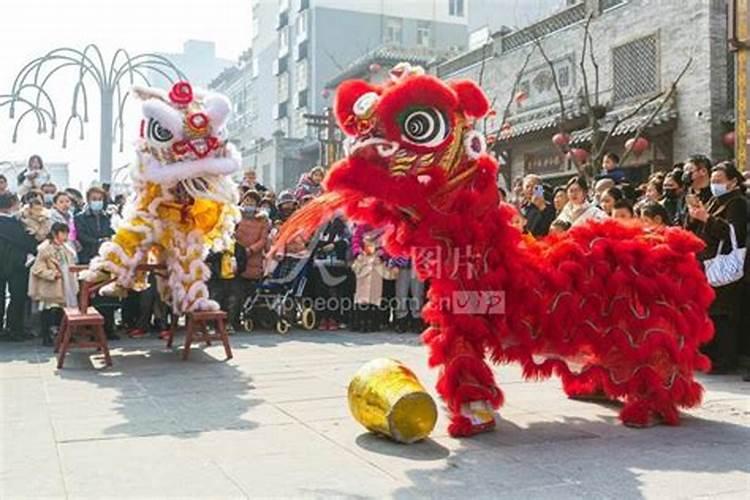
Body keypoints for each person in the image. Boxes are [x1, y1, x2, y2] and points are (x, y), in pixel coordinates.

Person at [686, 161, 747, 374]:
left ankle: (725, 359)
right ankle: (709, 356)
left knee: (723, 315)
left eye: (719, 181)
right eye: (712, 181)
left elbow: (734, 234)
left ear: (732, 182)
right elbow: (697, 227)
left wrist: (707, 219)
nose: (715, 185)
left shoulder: (737, 203)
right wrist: (695, 216)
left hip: (724, 264)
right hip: (707, 262)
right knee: (708, 312)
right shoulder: (713, 200)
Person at [28, 222, 79, 346]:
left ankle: (64, 335)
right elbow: (37, 269)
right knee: (48, 310)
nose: (65, 236)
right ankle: (46, 336)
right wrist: (52, 274)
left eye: (66, 233)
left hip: (66, 283)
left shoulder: (66, 248)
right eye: (63, 233)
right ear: (55, 234)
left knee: (64, 310)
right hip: (51, 285)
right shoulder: (45, 249)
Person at [0, 193, 37, 341]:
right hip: (17, 265)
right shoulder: (14, 223)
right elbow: (27, 242)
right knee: (18, 297)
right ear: (12, 204)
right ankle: (14, 329)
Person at [234, 190, 270, 330]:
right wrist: (238, 249)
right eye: (247, 200)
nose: (249, 204)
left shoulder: (263, 220)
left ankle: (254, 319)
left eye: (253, 202)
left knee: (253, 292)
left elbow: (263, 240)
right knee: (237, 292)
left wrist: (250, 250)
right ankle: (235, 320)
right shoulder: (236, 217)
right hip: (238, 259)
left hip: (254, 259)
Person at [351, 233, 390, 333]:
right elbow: (355, 268)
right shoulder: (361, 257)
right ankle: (361, 324)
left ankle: (373, 324)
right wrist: (359, 259)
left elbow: (384, 271)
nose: (369, 247)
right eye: (367, 245)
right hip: (363, 284)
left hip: (375, 284)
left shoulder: (379, 258)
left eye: (371, 245)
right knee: (362, 304)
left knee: (374, 304)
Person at [75, 186, 114, 265]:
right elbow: (81, 236)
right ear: (88, 201)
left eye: (100, 199)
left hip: (104, 256)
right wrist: (99, 241)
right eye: (94, 199)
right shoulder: (80, 217)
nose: (97, 202)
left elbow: (110, 231)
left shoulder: (106, 217)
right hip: (86, 257)